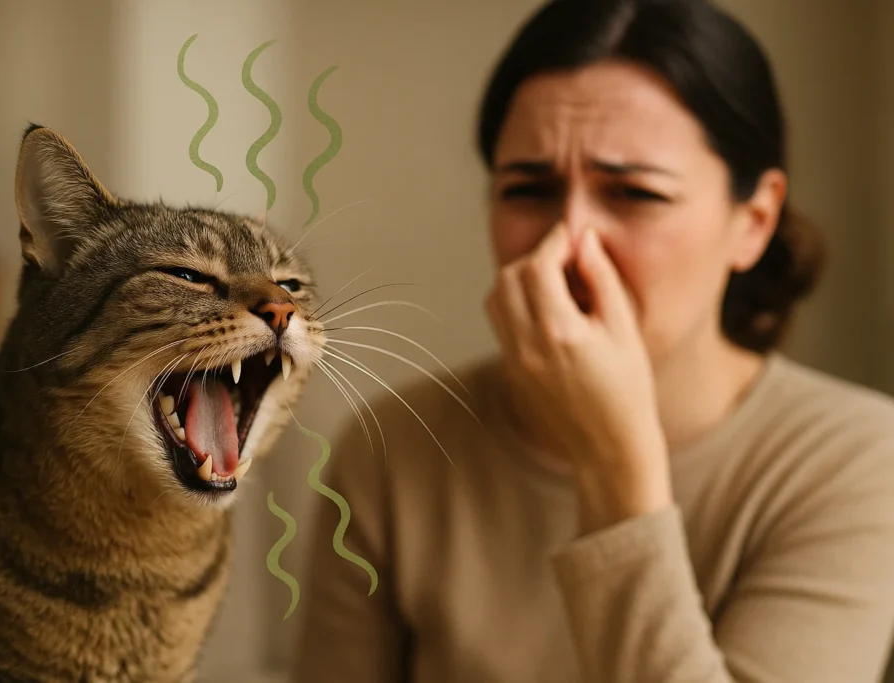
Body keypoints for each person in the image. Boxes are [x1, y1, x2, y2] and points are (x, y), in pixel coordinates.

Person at [289, 0, 894, 680]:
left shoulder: (857, 461)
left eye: (635, 193)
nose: (568, 242)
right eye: (529, 189)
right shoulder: (394, 449)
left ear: (753, 221)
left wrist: (614, 464)